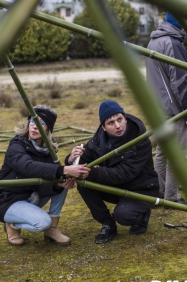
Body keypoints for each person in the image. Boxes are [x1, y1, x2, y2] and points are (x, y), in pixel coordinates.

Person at [0, 105, 90, 246]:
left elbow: (49, 177)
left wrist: (66, 169)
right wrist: (65, 169)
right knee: (42, 222)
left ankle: (52, 229)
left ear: (48, 129)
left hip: (31, 196)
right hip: (9, 201)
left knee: (62, 183)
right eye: (33, 121)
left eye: (41, 123)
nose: (35, 126)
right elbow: (28, 167)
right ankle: (12, 225)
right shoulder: (16, 146)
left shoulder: (47, 151)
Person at [67, 100, 159, 244]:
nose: (117, 126)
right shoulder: (99, 140)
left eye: (120, 120)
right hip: (117, 187)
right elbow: (84, 158)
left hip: (142, 189)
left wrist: (92, 173)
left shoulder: (140, 139)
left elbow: (125, 173)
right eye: (110, 123)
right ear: (103, 127)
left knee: (123, 216)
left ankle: (141, 214)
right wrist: (72, 158)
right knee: (84, 183)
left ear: (125, 119)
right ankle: (107, 223)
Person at [146, 12, 187, 205]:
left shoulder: (154, 41)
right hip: (173, 109)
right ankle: (172, 196)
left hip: (157, 107)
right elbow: (180, 82)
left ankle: (158, 192)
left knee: (162, 151)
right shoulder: (173, 44)